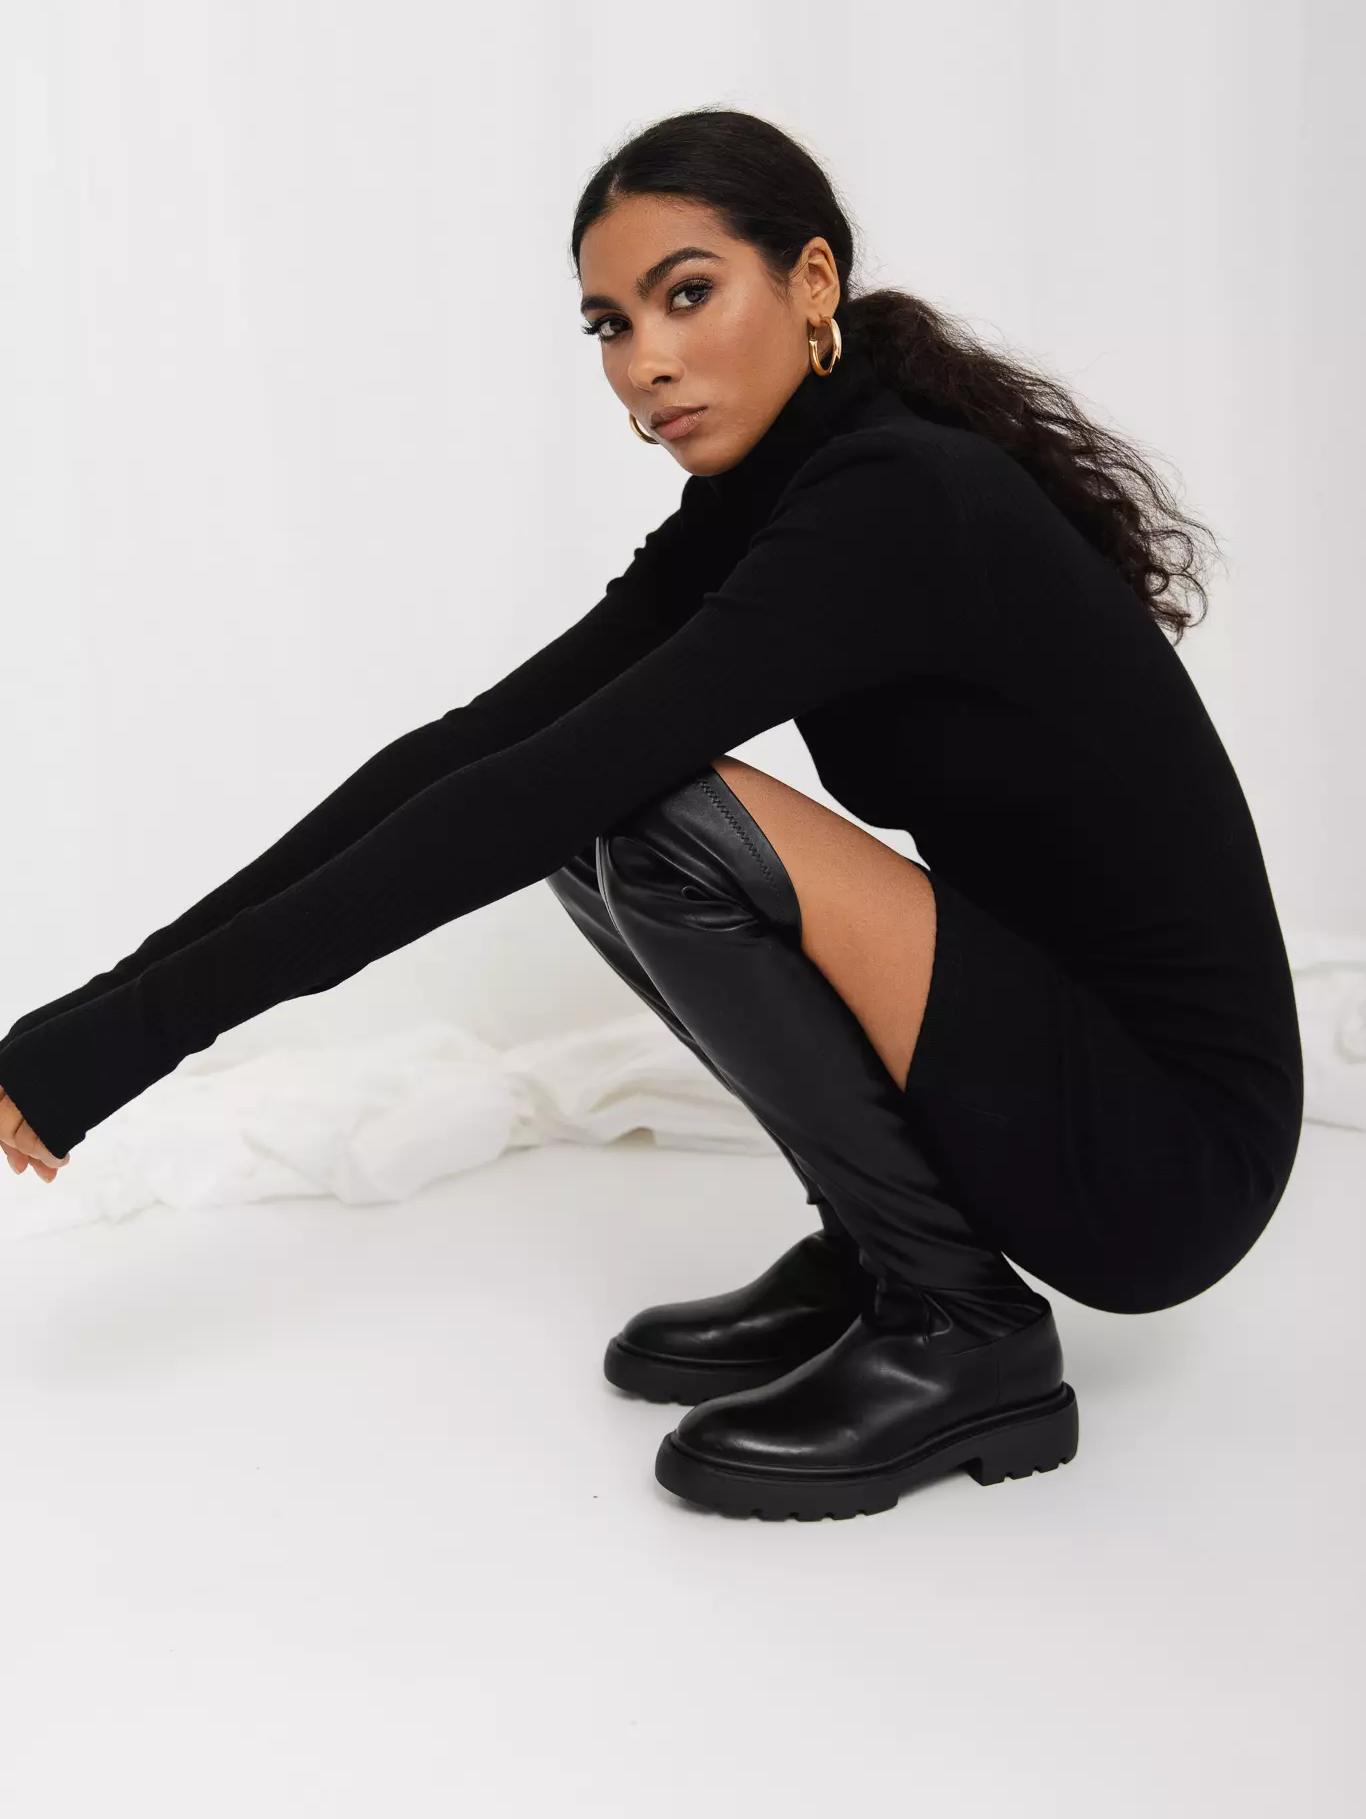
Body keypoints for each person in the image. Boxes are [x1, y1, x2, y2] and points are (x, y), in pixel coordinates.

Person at [0, 108, 1303, 1522]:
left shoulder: (898, 496)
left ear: (812, 282)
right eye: (610, 325)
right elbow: (469, 753)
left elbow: (534, 785)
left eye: (688, 295)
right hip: (1040, 1055)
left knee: (649, 808)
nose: (645, 364)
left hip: (1163, 1152)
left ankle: (960, 1326)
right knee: (581, 801)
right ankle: (891, 1246)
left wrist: (137, 1039)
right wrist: (95, 1020)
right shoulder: (776, 493)